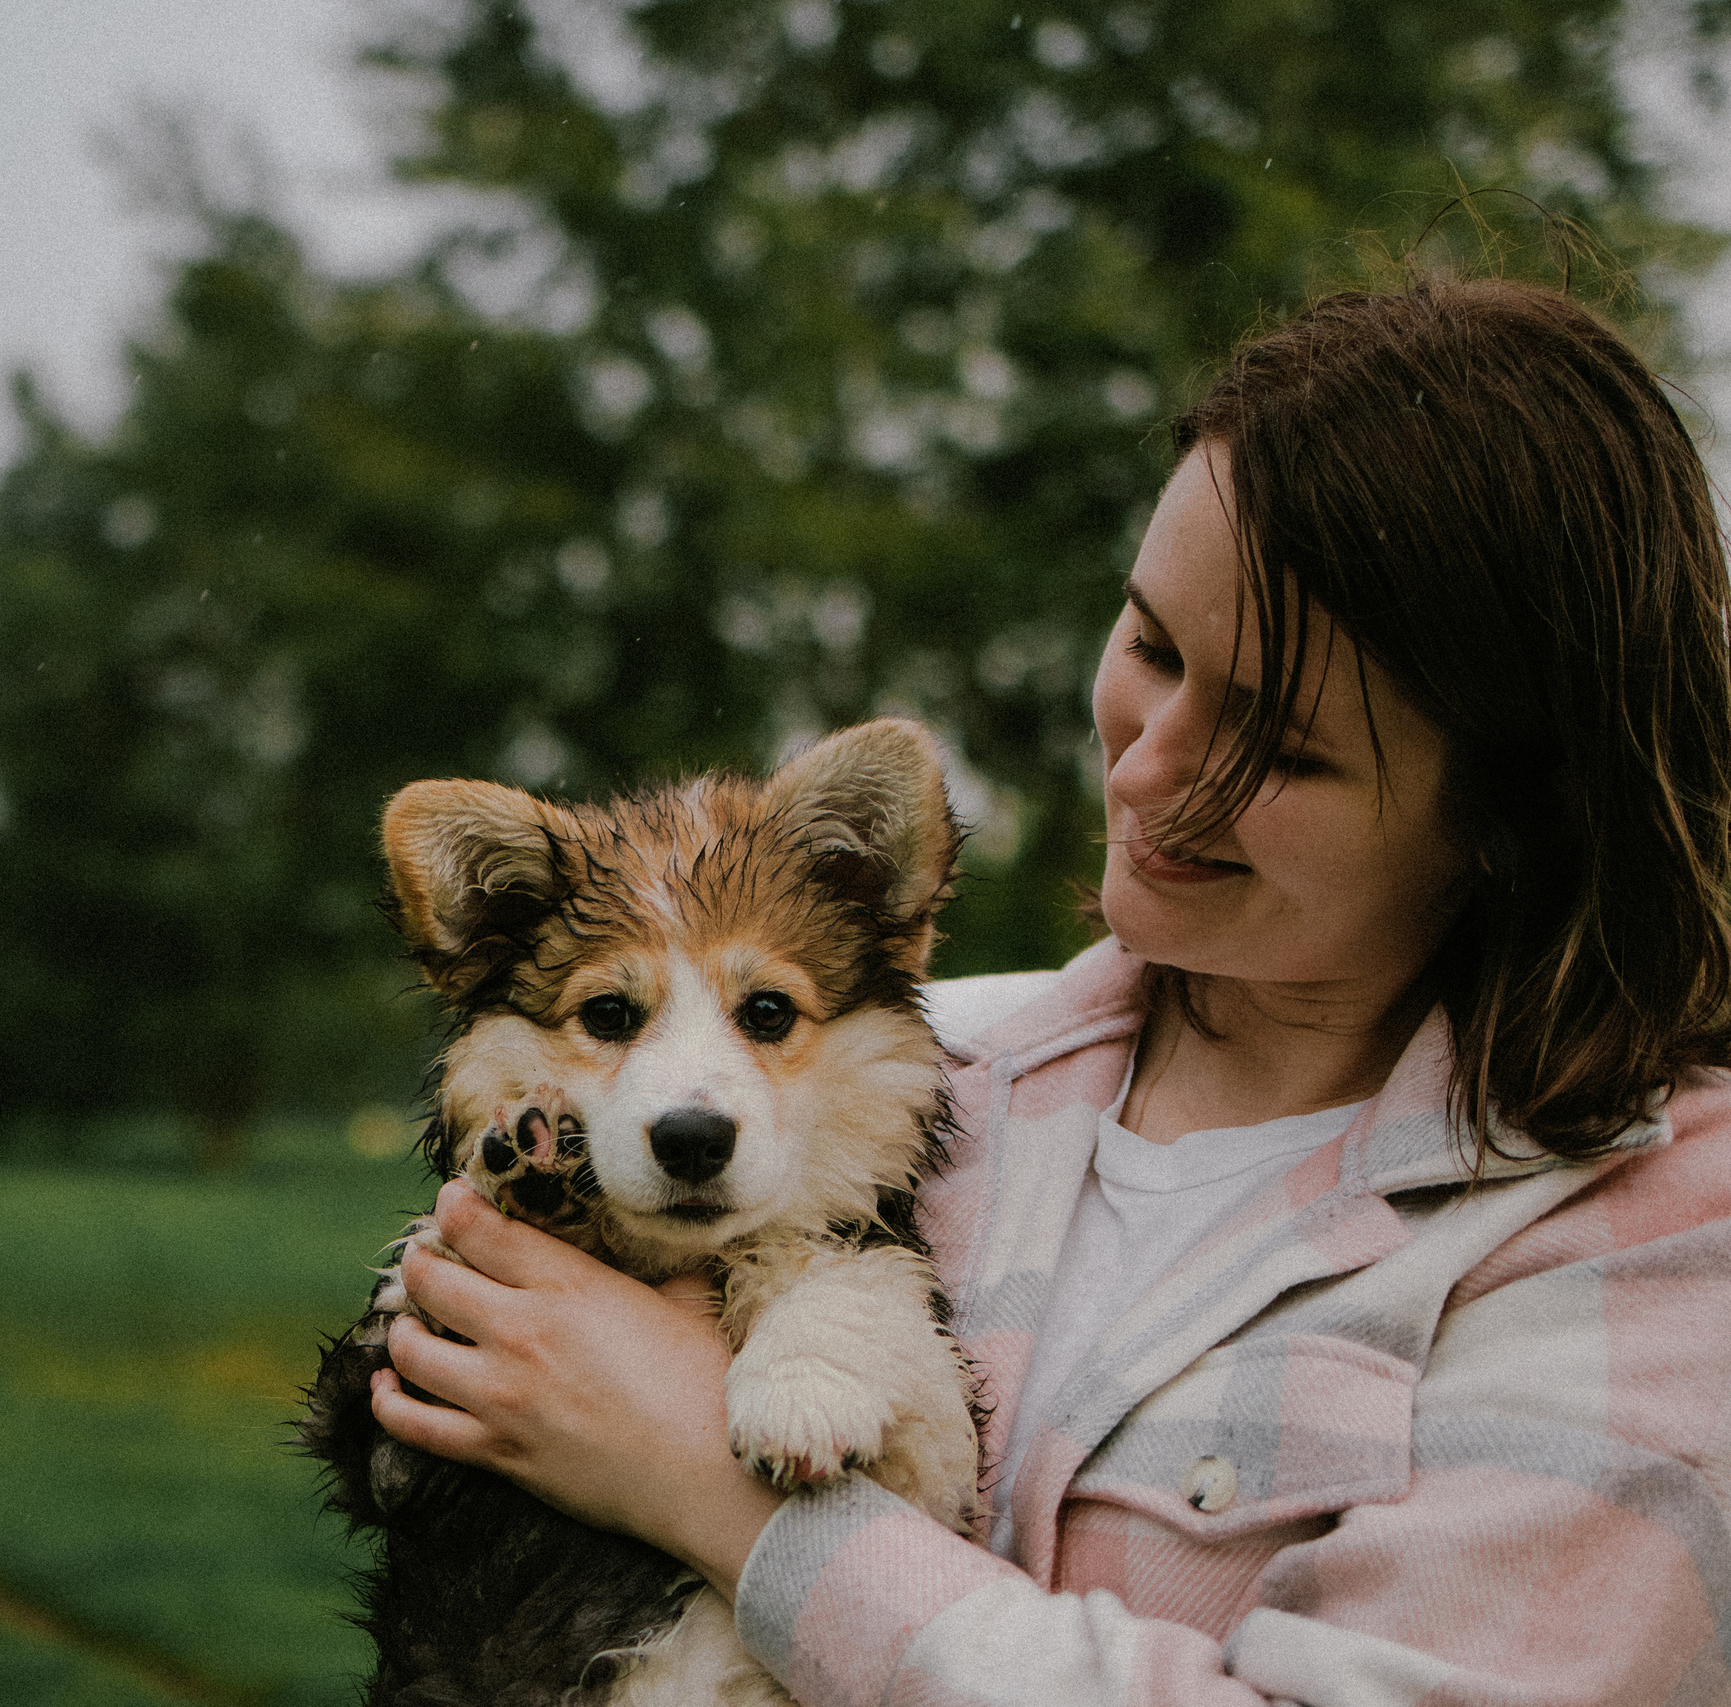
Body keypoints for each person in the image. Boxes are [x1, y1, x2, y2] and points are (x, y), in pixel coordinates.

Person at [369, 271, 1731, 1704]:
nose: (1145, 770)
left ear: (1512, 818)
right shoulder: (928, 1075)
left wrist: (718, 1498)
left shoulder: (1645, 1245)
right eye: (1152, 646)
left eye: (1280, 744)